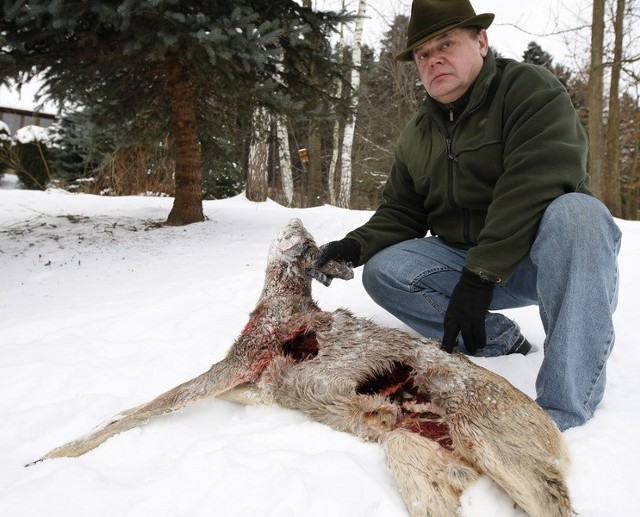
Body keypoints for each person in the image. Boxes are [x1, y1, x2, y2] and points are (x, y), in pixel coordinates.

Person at [316, 0, 622, 432]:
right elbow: (403, 211)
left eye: (446, 44)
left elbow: (536, 182)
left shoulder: (530, 90)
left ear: (481, 41)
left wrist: (481, 276)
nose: (433, 59)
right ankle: (499, 339)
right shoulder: (417, 134)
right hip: (466, 264)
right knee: (384, 271)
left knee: (579, 216)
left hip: (541, 259)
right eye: (423, 54)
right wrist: (355, 245)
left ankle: (564, 408)